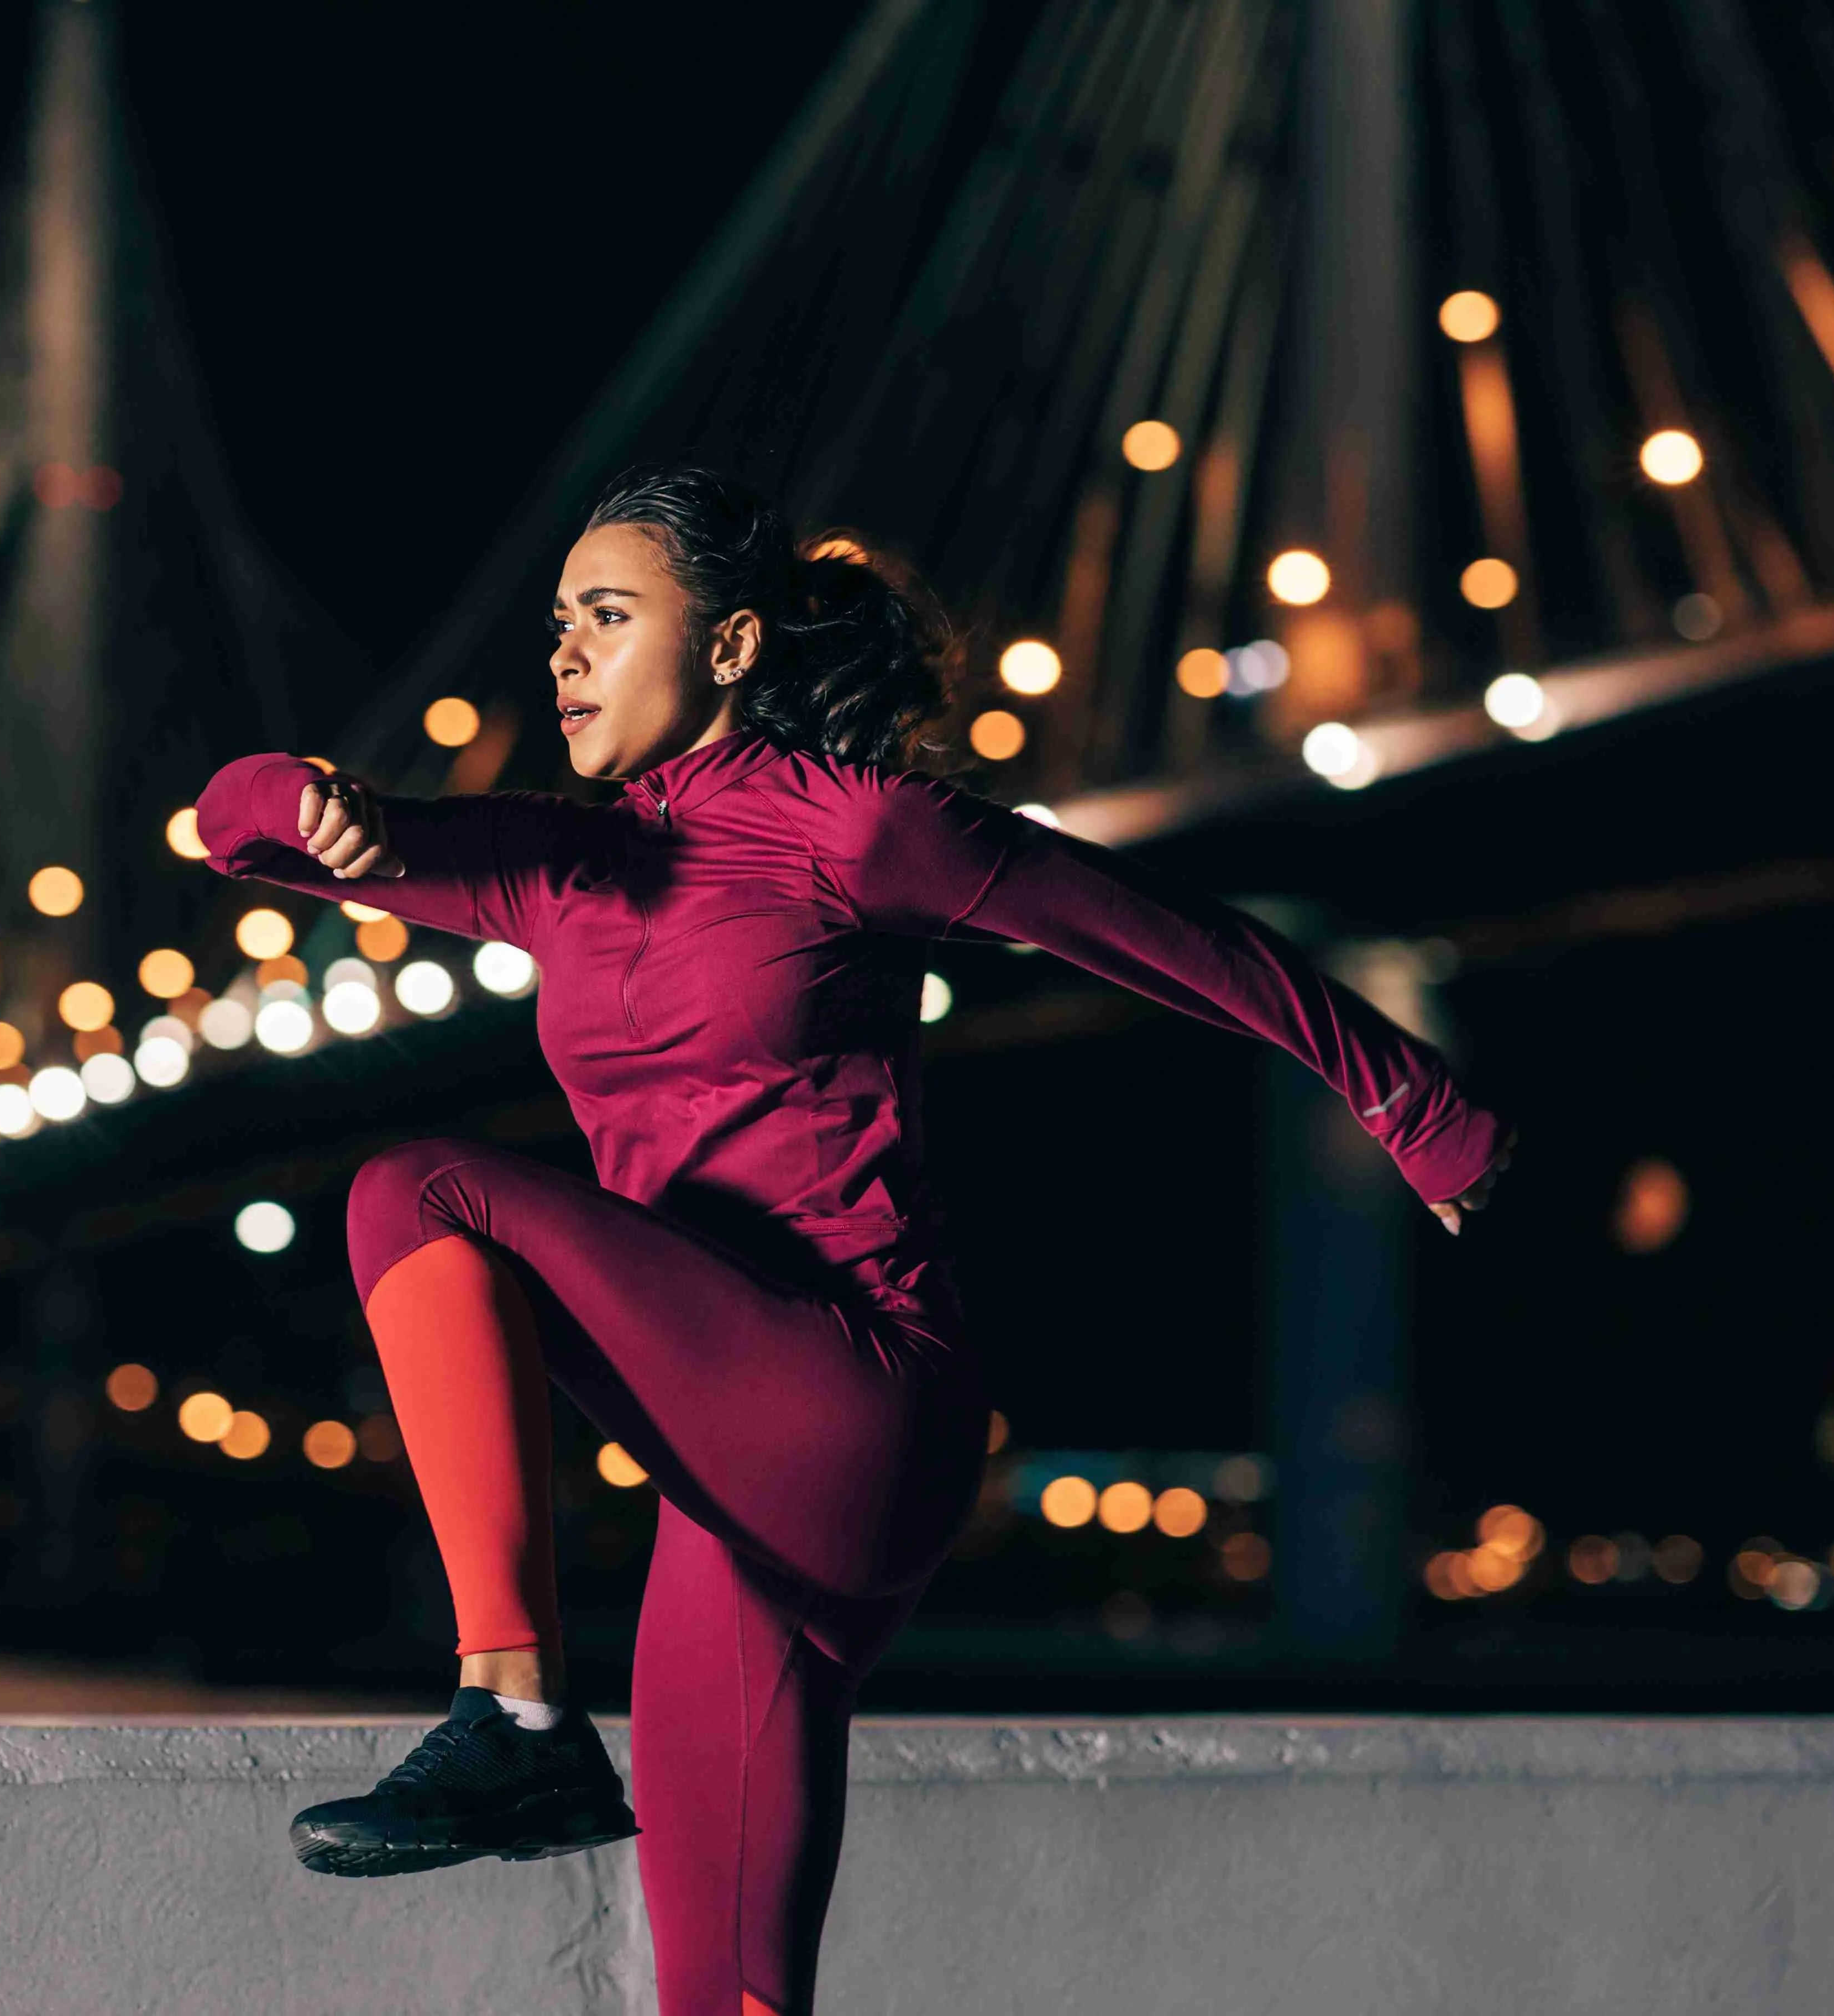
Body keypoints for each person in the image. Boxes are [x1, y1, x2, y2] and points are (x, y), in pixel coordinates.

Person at [189, 465, 1513, 2016]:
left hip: (855, 1393)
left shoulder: (860, 830)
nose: (560, 658)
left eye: (607, 621)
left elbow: (1177, 938)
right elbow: (236, 839)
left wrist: (1415, 1100)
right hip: (728, 1473)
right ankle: (529, 1738)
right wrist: (300, 797)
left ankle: (518, 1720)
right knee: (729, 1995)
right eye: (556, 626)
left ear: (734, 645)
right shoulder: (565, 868)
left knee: (416, 1192)